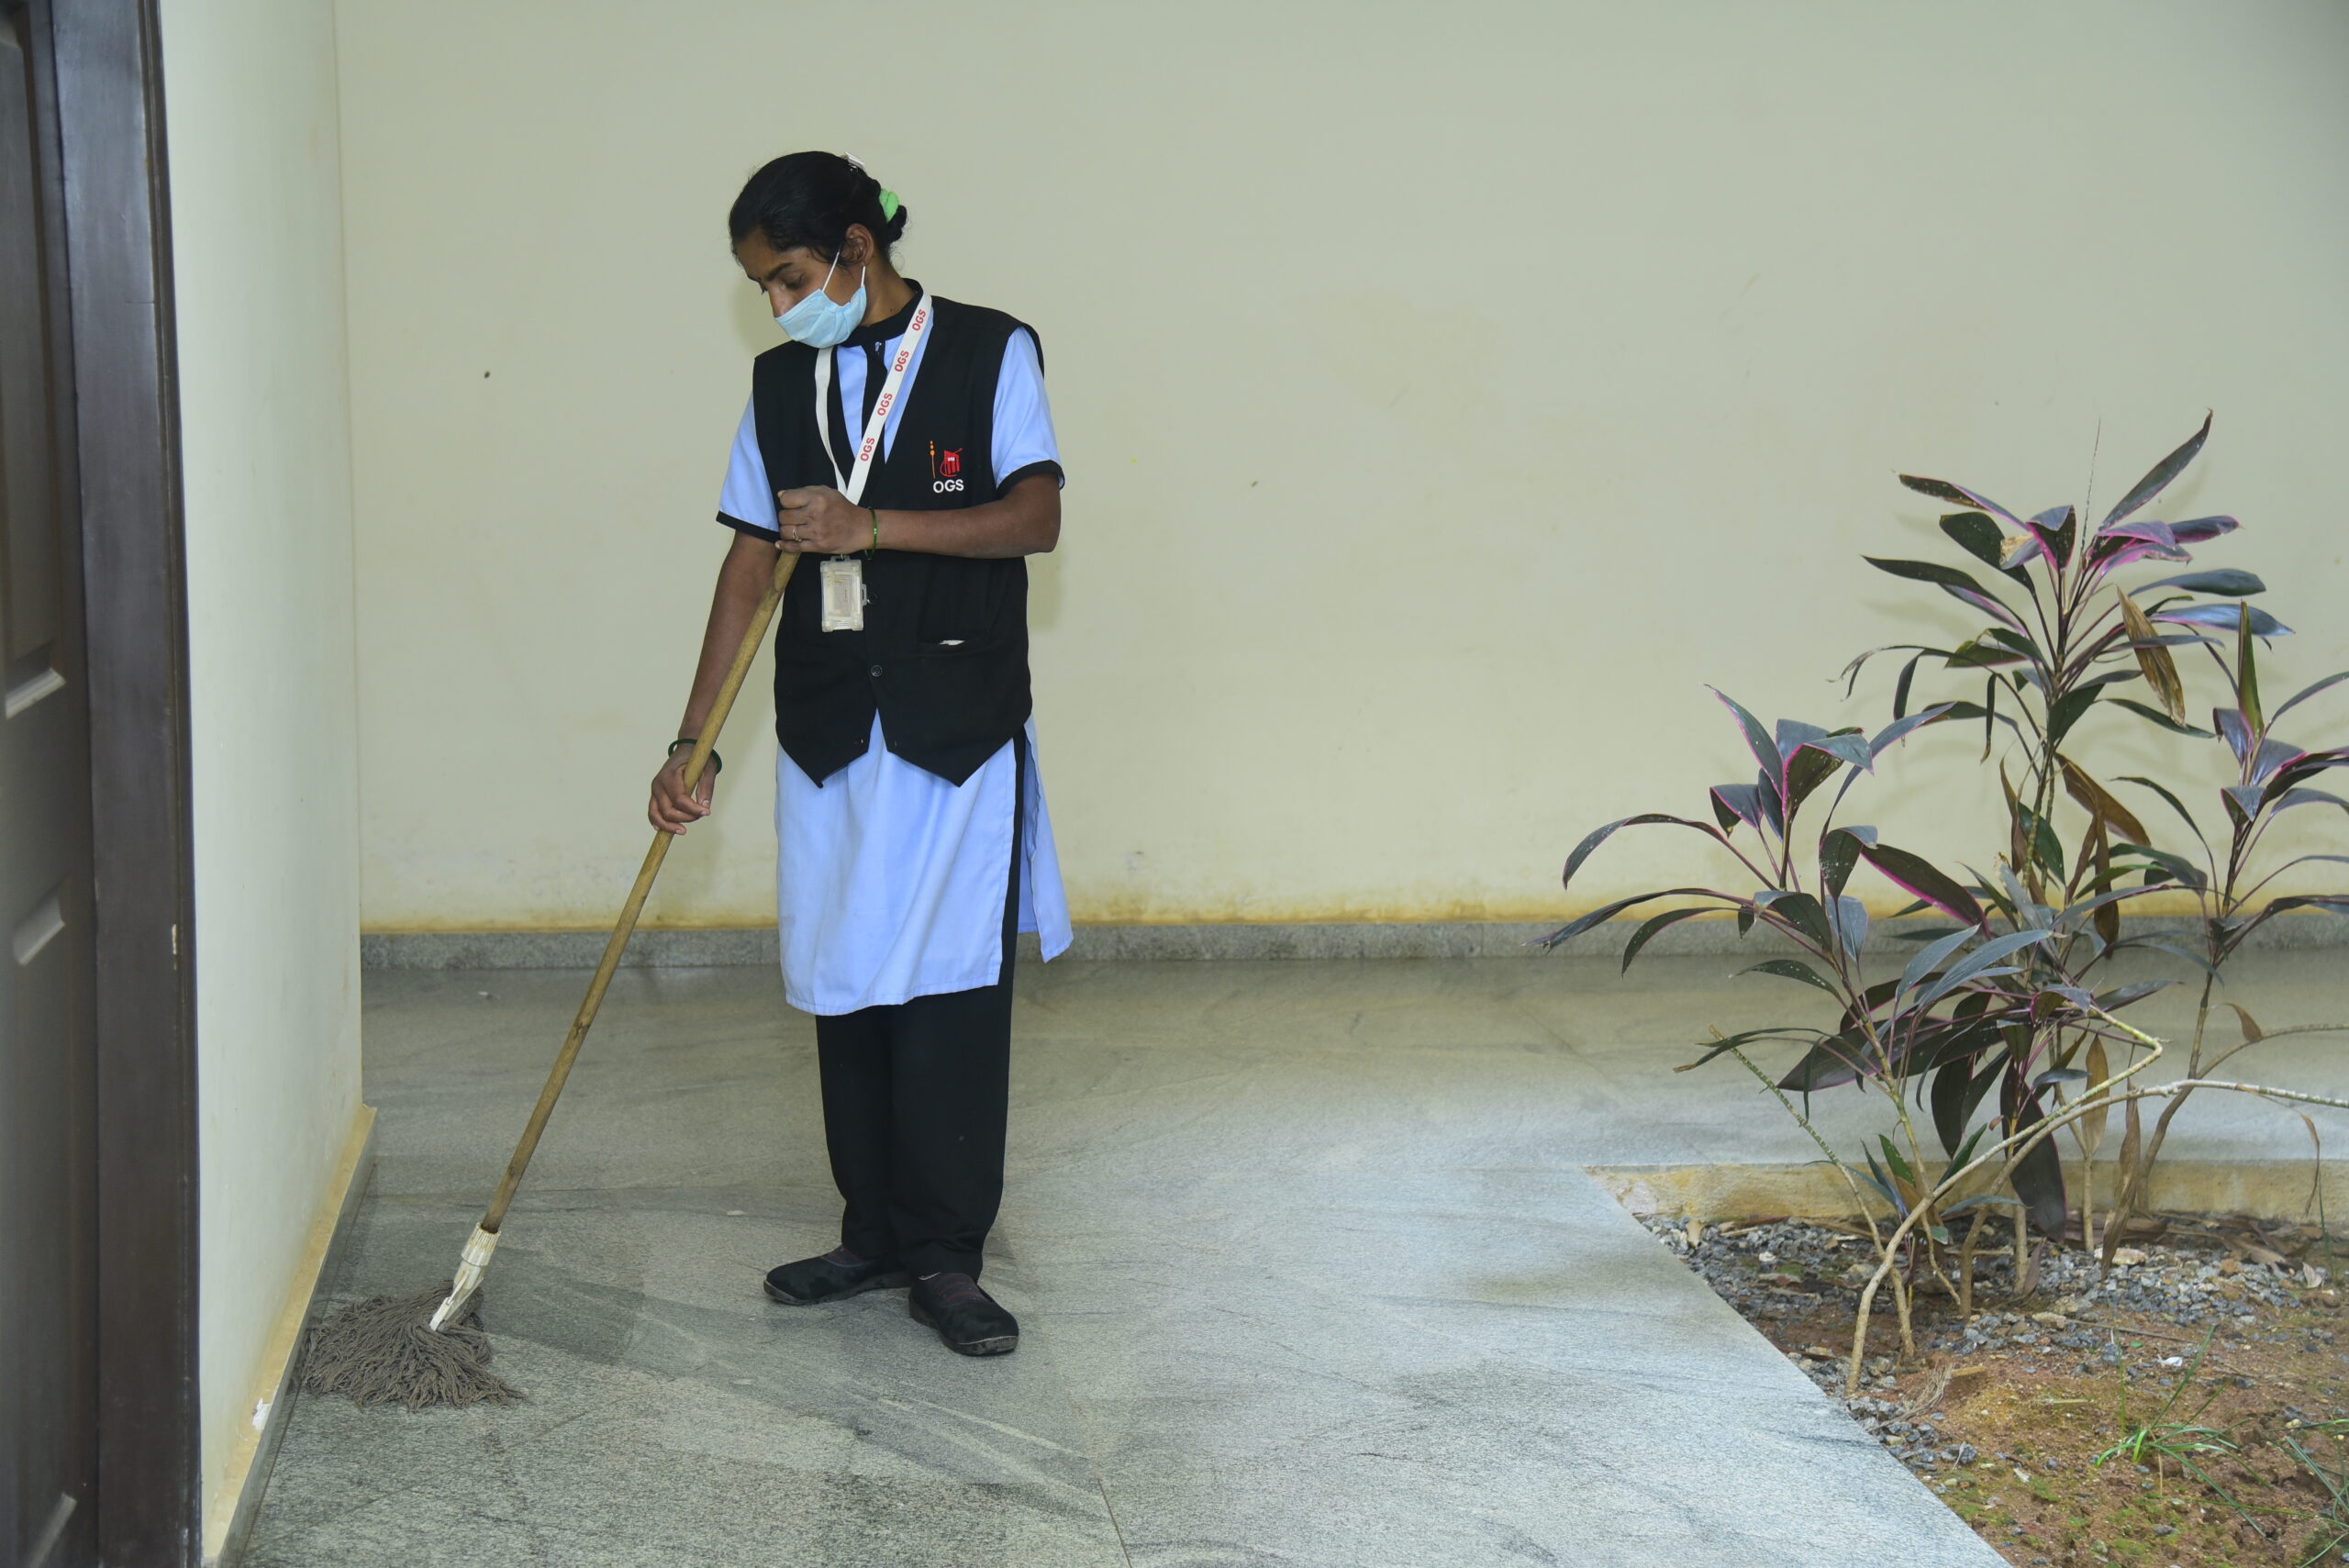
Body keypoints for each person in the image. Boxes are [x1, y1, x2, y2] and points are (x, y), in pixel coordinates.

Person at [649, 151, 1072, 1357]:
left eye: (788, 278)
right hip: (832, 728)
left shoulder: (994, 350)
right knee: (846, 979)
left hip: (955, 733)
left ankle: (945, 1252)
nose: (782, 307)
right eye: (763, 290)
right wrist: (695, 737)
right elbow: (748, 560)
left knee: (945, 988)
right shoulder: (783, 386)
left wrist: (873, 525)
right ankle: (875, 1228)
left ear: (854, 247)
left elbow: (1035, 514)